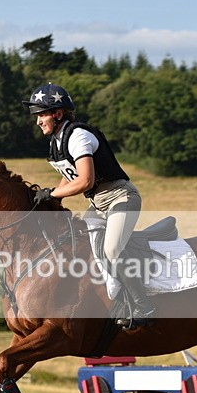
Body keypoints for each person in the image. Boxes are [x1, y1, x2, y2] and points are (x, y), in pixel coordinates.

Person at [22, 82, 155, 328]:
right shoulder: (57, 142)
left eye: (41, 114)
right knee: (85, 247)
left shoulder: (78, 136)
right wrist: (55, 199)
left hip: (120, 198)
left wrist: (52, 193)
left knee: (113, 249)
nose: (38, 121)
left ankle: (143, 307)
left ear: (58, 114)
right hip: (98, 204)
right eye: (37, 116)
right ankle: (114, 300)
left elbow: (86, 180)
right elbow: (70, 175)